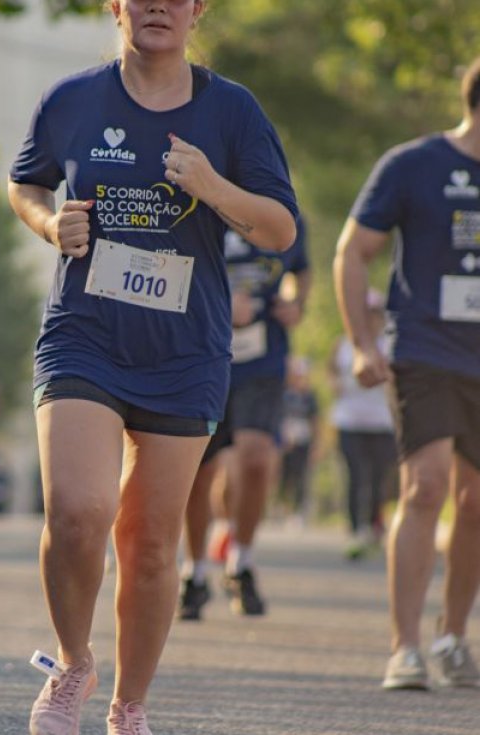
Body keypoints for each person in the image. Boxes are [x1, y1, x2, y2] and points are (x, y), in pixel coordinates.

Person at [8, 0, 298, 731]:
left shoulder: (232, 111)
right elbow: (26, 183)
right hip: (84, 334)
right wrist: (49, 222)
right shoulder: (72, 99)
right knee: (77, 512)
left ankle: (128, 706)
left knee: (148, 544)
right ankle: (73, 664)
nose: (158, 6)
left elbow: (279, 228)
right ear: (117, 6)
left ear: (197, 10)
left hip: (184, 349)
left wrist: (213, 186)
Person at [333, 58, 480, 690]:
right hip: (426, 350)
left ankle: (452, 637)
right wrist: (363, 344)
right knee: (425, 485)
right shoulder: (413, 164)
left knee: (475, 504)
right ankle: (406, 648)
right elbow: (352, 252)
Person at [180, 217, 311, 620]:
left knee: (256, 458)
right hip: (200, 357)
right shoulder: (195, 206)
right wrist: (220, 302)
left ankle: (241, 561)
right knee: (197, 472)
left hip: (261, 363)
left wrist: (297, 304)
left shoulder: (279, 211)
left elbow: (302, 268)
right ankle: (195, 570)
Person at [328, 288, 397, 560]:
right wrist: (335, 384)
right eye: (366, 313)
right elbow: (331, 371)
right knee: (355, 474)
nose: (370, 319)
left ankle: (373, 525)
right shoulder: (343, 343)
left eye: (375, 314)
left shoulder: (391, 344)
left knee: (379, 477)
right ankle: (356, 530)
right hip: (349, 420)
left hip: (382, 422)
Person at [277, 355, 319, 525]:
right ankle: (282, 508)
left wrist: (316, 445)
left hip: (303, 440)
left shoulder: (309, 397)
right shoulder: (283, 393)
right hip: (284, 441)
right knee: (284, 477)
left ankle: (298, 511)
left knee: (301, 476)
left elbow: (315, 420)